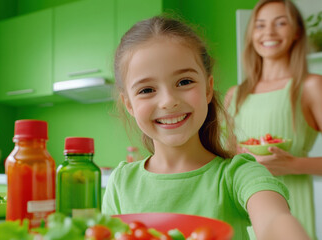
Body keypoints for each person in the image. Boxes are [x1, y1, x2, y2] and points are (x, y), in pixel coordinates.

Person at [102, 15, 310, 240]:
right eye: (146, 90)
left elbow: (274, 220)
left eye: (184, 82)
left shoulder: (238, 174)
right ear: (129, 105)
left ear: (208, 89)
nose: (168, 101)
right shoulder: (121, 181)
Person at [224, 0, 322, 239]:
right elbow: (224, 156)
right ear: (251, 34)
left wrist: (293, 164)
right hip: (242, 205)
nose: (268, 32)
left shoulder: (310, 86)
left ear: (296, 32)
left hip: (292, 204)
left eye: (280, 23)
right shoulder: (234, 94)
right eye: (260, 25)